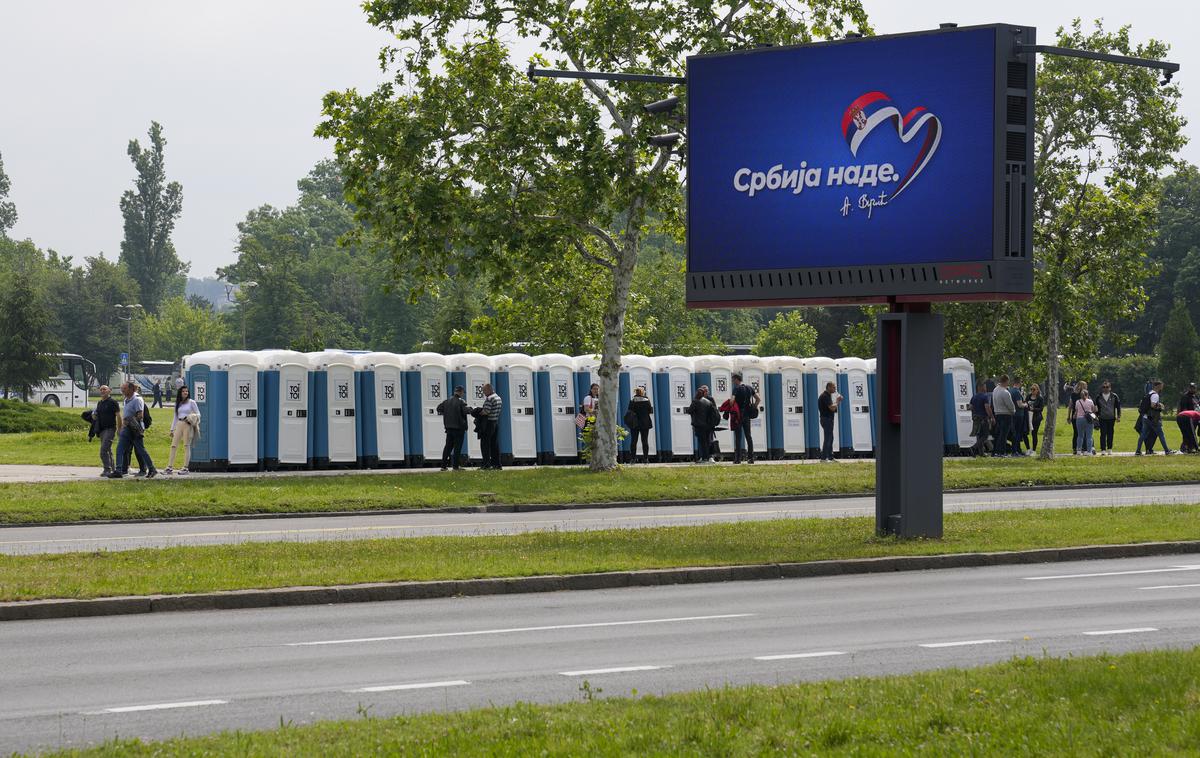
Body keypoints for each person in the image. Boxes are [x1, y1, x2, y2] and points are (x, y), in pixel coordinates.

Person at [108, 381, 157, 479]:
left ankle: (152, 469)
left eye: (124, 388)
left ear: (130, 389)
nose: (122, 390)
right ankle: (118, 471)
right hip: (126, 428)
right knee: (120, 448)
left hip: (135, 428)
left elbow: (140, 415)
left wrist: (129, 420)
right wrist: (122, 426)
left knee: (140, 449)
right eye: (122, 388)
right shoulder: (126, 399)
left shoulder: (137, 399)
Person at [165, 386, 200, 474]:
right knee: (173, 445)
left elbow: (199, 414)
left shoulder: (192, 402)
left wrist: (191, 417)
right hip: (179, 424)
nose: (185, 393)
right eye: (183, 391)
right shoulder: (178, 403)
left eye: (187, 391)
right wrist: (172, 429)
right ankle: (169, 467)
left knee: (186, 445)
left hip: (187, 424)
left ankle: (185, 467)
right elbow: (175, 417)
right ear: (180, 393)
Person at [1136, 380, 1175, 455]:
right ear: (1158, 386)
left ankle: (1138, 451)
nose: (1162, 387)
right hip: (1152, 418)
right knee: (1161, 434)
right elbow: (1152, 405)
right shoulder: (1155, 395)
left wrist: (1158, 403)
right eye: (1161, 386)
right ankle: (1167, 451)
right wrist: (1160, 406)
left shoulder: (1149, 393)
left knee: (1143, 434)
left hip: (1145, 417)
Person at [436, 386, 469, 471]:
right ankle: (455, 466)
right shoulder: (461, 401)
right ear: (461, 392)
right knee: (457, 447)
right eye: (463, 393)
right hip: (459, 428)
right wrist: (472, 410)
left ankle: (443, 466)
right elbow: (465, 411)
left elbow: (438, 408)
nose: (463, 394)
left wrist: (447, 413)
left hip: (449, 428)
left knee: (448, 447)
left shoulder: (446, 401)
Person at [730, 372, 760, 464]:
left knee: (738, 437)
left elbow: (732, 401)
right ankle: (751, 458)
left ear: (736, 379)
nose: (733, 381)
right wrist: (753, 407)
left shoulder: (737, 388)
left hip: (738, 416)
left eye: (733, 380)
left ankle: (738, 459)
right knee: (748, 436)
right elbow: (758, 399)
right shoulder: (749, 388)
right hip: (747, 415)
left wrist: (732, 406)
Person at [94, 385, 120, 477]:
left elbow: (118, 416)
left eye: (104, 389)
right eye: (101, 389)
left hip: (110, 429)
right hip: (102, 430)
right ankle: (114, 469)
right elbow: (97, 415)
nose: (102, 391)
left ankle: (107, 469)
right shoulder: (100, 403)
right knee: (108, 450)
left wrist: (119, 428)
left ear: (109, 390)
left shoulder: (113, 402)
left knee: (103, 450)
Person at [687, 385, 717, 464]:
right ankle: (706, 457)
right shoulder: (708, 402)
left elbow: (689, 411)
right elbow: (713, 412)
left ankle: (705, 458)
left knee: (702, 442)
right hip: (707, 425)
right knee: (707, 441)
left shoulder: (695, 401)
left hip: (699, 425)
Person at [479, 382, 503, 470]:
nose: (483, 393)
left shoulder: (489, 398)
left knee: (485, 445)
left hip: (488, 423)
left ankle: (486, 464)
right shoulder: (498, 397)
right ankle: (497, 464)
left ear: (489, 389)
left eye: (484, 391)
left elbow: (486, 411)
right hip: (495, 422)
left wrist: (478, 412)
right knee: (494, 445)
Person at [627, 387, 654, 464]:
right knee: (644, 441)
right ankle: (645, 458)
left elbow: (629, 410)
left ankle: (633, 459)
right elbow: (650, 410)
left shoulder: (632, 400)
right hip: (645, 423)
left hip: (634, 423)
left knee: (633, 441)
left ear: (636, 392)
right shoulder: (646, 400)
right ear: (642, 393)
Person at [991, 375, 1016, 457]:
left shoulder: (995, 390)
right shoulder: (1005, 392)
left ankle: (995, 451)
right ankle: (1002, 452)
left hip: (997, 413)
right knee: (1004, 434)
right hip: (1006, 414)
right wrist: (1013, 411)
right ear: (1006, 381)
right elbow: (1010, 405)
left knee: (998, 434)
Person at [1094, 381, 1121, 455]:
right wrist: (1095, 417)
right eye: (1104, 387)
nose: (1105, 388)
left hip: (1111, 418)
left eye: (1107, 387)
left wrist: (1118, 416)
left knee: (1110, 433)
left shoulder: (1114, 396)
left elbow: (1118, 407)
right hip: (1102, 418)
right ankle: (1103, 449)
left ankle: (1109, 449)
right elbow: (1096, 408)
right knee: (1103, 434)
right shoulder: (1098, 397)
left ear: (1110, 388)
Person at [968, 382, 994, 457]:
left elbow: (970, 407)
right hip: (983, 418)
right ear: (981, 387)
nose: (986, 388)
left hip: (976, 419)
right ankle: (973, 447)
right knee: (985, 435)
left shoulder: (974, 397)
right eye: (984, 387)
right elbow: (987, 408)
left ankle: (981, 453)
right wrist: (992, 417)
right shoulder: (984, 396)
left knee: (980, 435)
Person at [817, 381, 840, 462]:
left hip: (828, 419)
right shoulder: (825, 396)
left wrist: (836, 402)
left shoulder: (828, 395)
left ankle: (830, 457)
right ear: (829, 387)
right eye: (833, 387)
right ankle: (823, 458)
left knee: (830, 438)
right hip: (826, 419)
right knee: (828, 438)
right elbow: (832, 408)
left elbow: (831, 408)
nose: (835, 388)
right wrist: (837, 401)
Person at [1009, 377, 1029, 455]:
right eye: (1021, 382)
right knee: (1018, 433)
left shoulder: (1010, 391)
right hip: (1019, 414)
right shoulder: (1017, 392)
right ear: (1018, 383)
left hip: (1012, 414)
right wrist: (1026, 405)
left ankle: (1017, 449)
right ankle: (1016, 450)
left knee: (1014, 432)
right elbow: (1020, 405)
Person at [1073, 388, 1096, 455]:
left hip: (1079, 419)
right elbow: (1093, 410)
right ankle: (1089, 451)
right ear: (1087, 395)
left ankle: (1079, 451)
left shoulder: (1077, 402)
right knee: (1089, 436)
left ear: (1080, 395)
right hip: (1088, 419)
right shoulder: (1090, 401)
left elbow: (1076, 411)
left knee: (1080, 436)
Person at [1066, 380, 1085, 453]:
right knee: (1082, 433)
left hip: (1075, 415)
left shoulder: (1073, 395)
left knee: (1076, 432)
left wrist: (1068, 416)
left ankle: (1075, 448)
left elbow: (1070, 406)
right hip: (1083, 416)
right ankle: (1082, 448)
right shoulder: (1086, 395)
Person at [1027, 384, 1045, 452]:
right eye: (1031, 389)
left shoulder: (1040, 398)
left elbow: (1041, 409)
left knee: (1034, 433)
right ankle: (1028, 448)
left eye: (1034, 389)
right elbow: (1025, 403)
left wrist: (1033, 409)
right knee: (1026, 433)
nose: (1032, 391)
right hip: (1028, 417)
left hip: (1036, 418)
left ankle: (1034, 450)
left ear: (1037, 390)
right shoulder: (1028, 396)